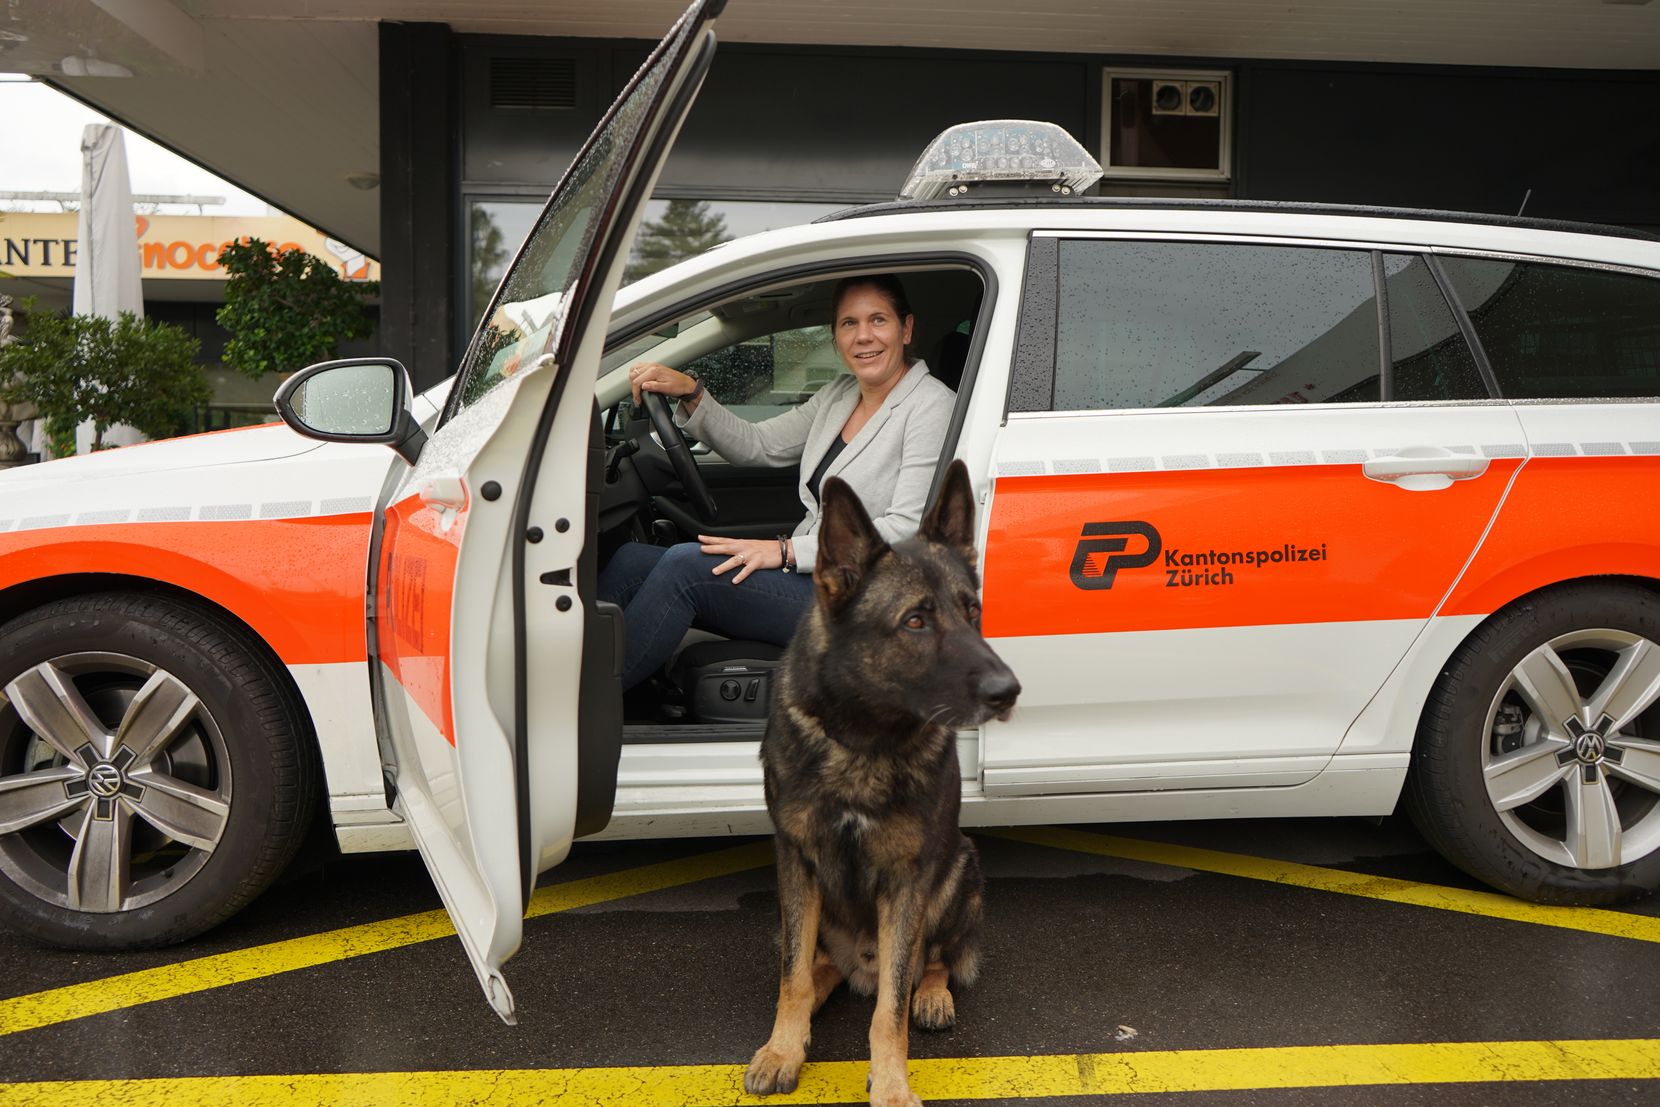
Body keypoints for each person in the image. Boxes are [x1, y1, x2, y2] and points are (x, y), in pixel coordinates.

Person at [600, 274, 955, 691]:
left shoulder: (931, 407)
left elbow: (906, 532)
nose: (863, 336)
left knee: (684, 568)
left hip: (863, 603)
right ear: (835, 336)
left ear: (906, 328)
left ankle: (587, 700)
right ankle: (565, 665)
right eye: (849, 323)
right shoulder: (841, 395)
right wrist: (692, 392)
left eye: (878, 320)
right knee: (630, 560)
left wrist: (786, 552)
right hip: (815, 579)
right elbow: (759, 444)